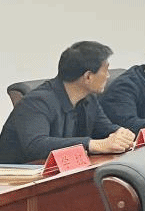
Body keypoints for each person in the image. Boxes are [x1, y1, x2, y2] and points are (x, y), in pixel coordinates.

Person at [0, 41, 134, 161]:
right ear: (88, 76)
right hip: (19, 175)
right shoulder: (37, 102)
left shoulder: (88, 98)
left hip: (63, 172)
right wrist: (94, 144)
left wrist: (121, 133)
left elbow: (104, 128)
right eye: (105, 70)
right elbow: (36, 145)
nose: (108, 76)